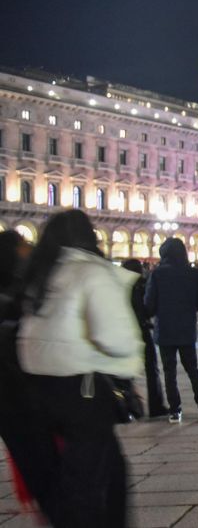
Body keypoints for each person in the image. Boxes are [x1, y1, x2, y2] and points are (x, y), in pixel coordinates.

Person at [17, 210, 141, 526]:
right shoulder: (91, 272)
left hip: (38, 390)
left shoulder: (41, 273)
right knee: (93, 482)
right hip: (81, 390)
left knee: (88, 473)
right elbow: (117, 339)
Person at [0, 230, 57, 521]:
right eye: (23, 247)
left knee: (30, 459)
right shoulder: (23, 289)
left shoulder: (25, 286)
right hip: (25, 388)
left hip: (20, 392)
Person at [146, 238, 198, 424]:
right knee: (193, 370)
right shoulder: (193, 274)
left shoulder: (157, 274)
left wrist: (160, 312)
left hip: (165, 330)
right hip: (186, 329)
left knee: (169, 372)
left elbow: (149, 304)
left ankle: (174, 411)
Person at [121, 259, 169, 418]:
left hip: (124, 331)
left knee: (125, 371)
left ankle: (126, 407)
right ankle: (155, 406)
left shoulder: (117, 286)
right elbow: (147, 307)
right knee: (151, 368)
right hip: (141, 329)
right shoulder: (141, 284)